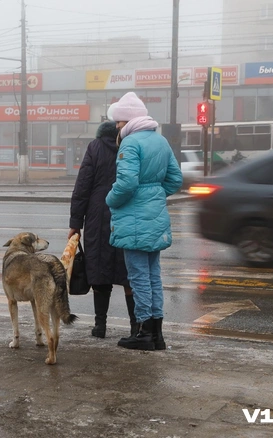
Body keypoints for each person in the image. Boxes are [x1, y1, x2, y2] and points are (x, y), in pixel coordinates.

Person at [105, 92, 183, 351]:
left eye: (118, 122)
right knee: (152, 276)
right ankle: (157, 334)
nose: (116, 127)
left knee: (138, 276)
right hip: (155, 216)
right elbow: (175, 180)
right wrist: (155, 195)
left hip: (134, 218)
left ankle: (144, 333)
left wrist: (111, 200)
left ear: (126, 121)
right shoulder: (160, 140)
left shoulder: (130, 143)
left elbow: (126, 183)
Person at [68, 119, 135, 340]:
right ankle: (136, 328)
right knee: (128, 273)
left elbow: (82, 186)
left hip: (97, 215)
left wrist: (75, 224)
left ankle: (100, 326)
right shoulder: (130, 145)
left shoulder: (94, 147)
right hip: (126, 212)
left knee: (99, 270)